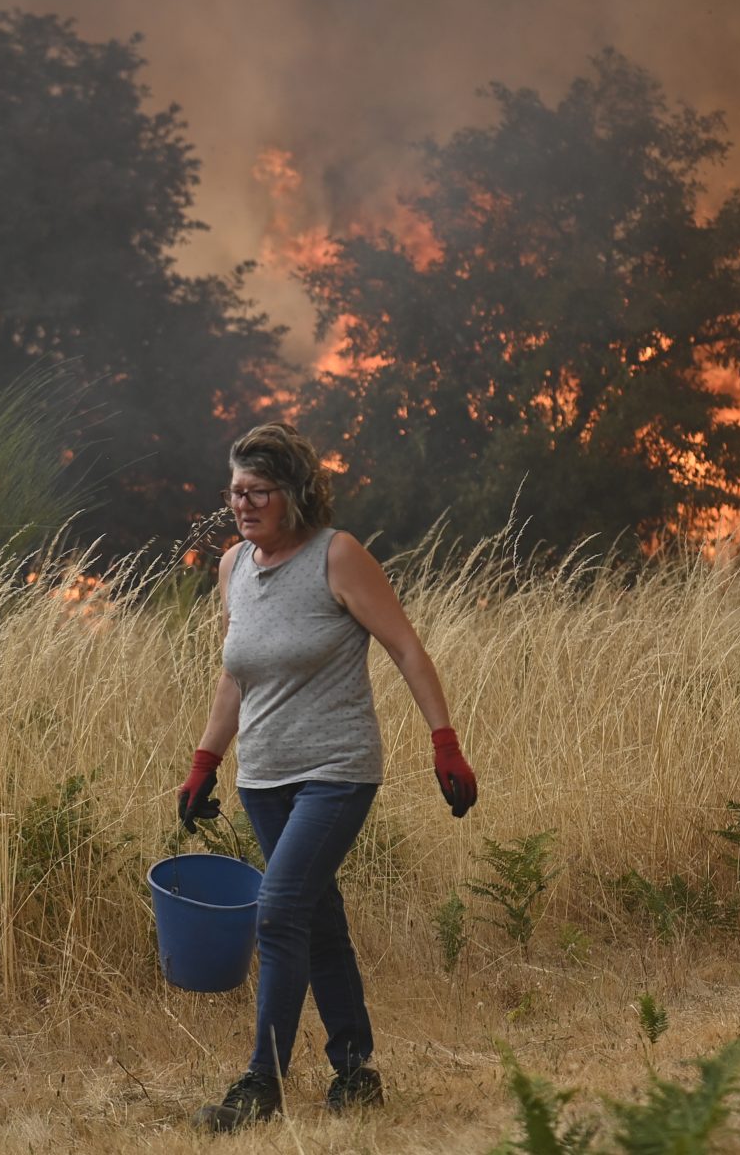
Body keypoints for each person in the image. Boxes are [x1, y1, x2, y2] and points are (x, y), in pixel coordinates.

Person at [175, 422, 477, 1131]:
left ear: (294, 494)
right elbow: (235, 677)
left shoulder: (336, 557)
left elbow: (405, 647)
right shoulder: (234, 569)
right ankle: (355, 1070)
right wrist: (204, 762)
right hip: (264, 777)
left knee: (279, 911)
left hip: (337, 772)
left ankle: (262, 1082)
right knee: (320, 920)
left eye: (258, 492)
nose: (243, 505)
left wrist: (445, 741)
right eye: (235, 493)